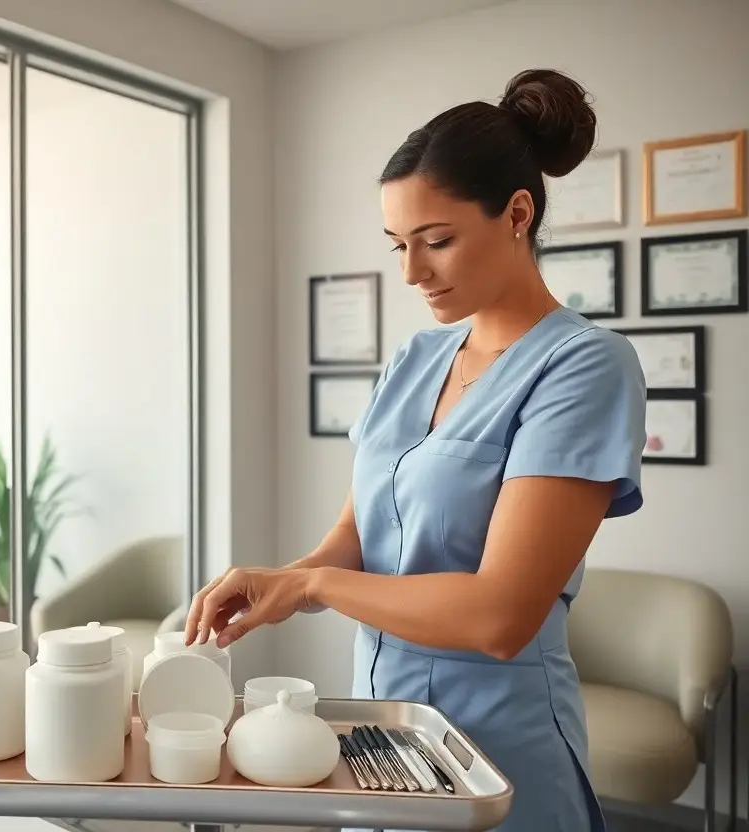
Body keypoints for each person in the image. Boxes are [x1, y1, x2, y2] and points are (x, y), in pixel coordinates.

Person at [185, 68, 647, 832]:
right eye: (399, 244)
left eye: (437, 241)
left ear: (517, 214)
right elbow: (358, 537)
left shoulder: (585, 366)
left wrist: (313, 589)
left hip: (495, 749)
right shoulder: (412, 360)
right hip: (379, 737)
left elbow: (502, 614)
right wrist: (271, 585)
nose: (411, 271)